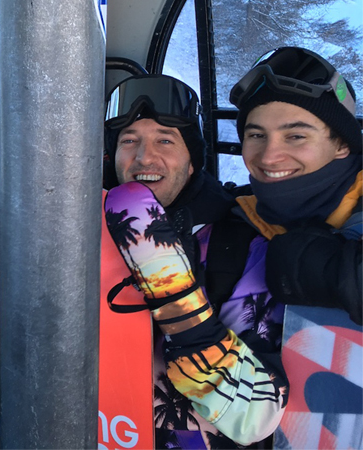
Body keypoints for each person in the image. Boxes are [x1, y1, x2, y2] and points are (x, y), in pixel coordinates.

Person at [102, 74, 287, 448]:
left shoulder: (238, 244)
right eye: (129, 141)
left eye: (164, 140)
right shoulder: (78, 229)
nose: (143, 157)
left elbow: (254, 416)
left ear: (192, 163)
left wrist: (176, 300)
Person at [229, 46, 362, 324]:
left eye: (296, 136)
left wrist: (332, 273)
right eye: (256, 134)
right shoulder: (236, 215)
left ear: (342, 144)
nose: (268, 156)